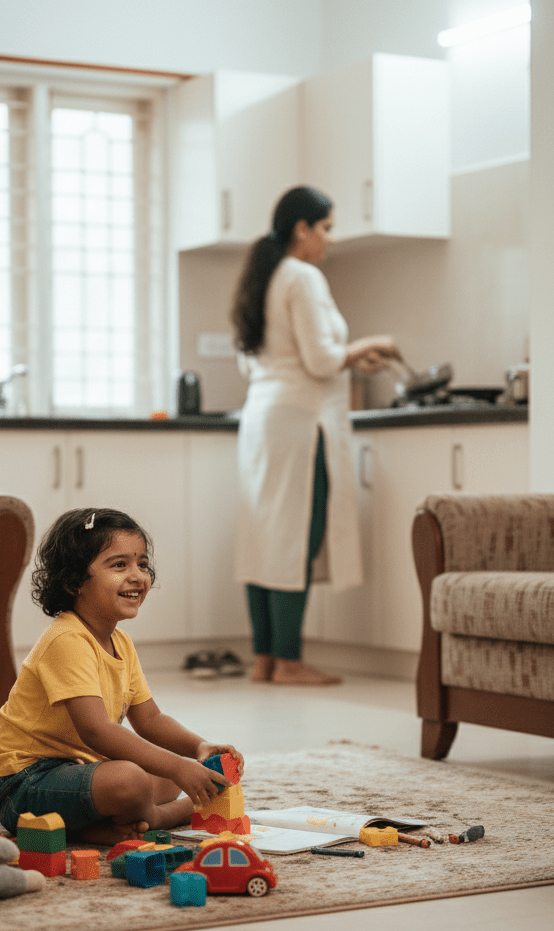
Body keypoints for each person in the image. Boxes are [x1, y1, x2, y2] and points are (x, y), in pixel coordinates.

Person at [0, 507, 244, 845]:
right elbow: (97, 731)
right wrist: (179, 768)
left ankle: (96, 828)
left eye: (142, 564)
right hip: (24, 784)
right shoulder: (67, 640)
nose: (137, 575)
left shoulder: (119, 641)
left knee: (165, 776)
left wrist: (197, 746)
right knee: (133, 779)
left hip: (80, 770)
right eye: (119, 565)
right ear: (73, 581)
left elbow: (150, 718)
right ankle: (158, 818)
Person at [232, 186, 399, 686]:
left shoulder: (260, 277)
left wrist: (348, 358)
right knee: (296, 535)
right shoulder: (303, 276)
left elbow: (264, 358)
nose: (330, 238)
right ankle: (289, 660)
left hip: (262, 416)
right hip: (300, 421)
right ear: (301, 229)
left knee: (263, 536)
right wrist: (371, 344)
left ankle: (264, 658)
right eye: (325, 227)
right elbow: (321, 359)